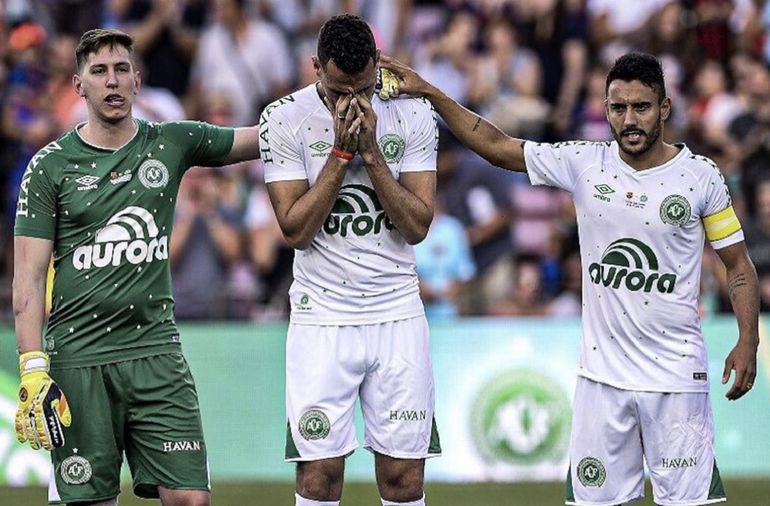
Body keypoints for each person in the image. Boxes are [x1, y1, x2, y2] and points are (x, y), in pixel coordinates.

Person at [380, 52, 759, 506]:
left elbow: (737, 264)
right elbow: (499, 147)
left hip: (676, 379)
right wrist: (433, 92)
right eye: (618, 108)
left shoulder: (700, 177)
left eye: (641, 107)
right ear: (606, 110)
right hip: (601, 381)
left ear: (665, 108)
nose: (629, 119)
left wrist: (748, 339)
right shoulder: (585, 161)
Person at [13, 28, 260, 506]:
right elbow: (26, 279)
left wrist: (323, 106)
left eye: (121, 69)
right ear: (78, 84)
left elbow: (257, 140)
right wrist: (31, 368)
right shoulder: (49, 167)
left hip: (156, 353)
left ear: (137, 81)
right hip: (79, 360)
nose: (112, 81)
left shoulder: (171, 142)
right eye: (99, 71)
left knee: (191, 499)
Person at [260, 14, 440, 506]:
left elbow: (418, 226)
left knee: (403, 480)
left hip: (396, 313)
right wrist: (341, 155)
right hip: (322, 316)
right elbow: (295, 230)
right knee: (319, 477)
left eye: (362, 88)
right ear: (316, 67)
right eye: (339, 91)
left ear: (376, 67)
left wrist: (374, 156)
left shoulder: (413, 114)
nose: (353, 103)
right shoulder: (282, 118)